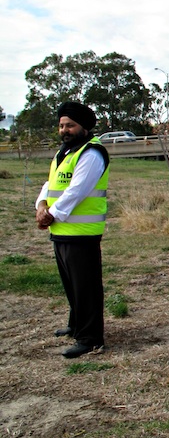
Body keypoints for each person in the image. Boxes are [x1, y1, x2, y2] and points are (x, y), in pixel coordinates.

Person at [35, 102, 110, 358]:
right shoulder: (65, 153)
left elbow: (77, 191)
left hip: (82, 233)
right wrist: (41, 205)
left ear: (84, 127)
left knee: (86, 287)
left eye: (70, 125)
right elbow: (50, 184)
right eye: (61, 125)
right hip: (61, 231)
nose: (64, 130)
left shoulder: (91, 154)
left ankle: (90, 338)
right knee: (72, 285)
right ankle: (76, 324)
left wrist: (51, 214)